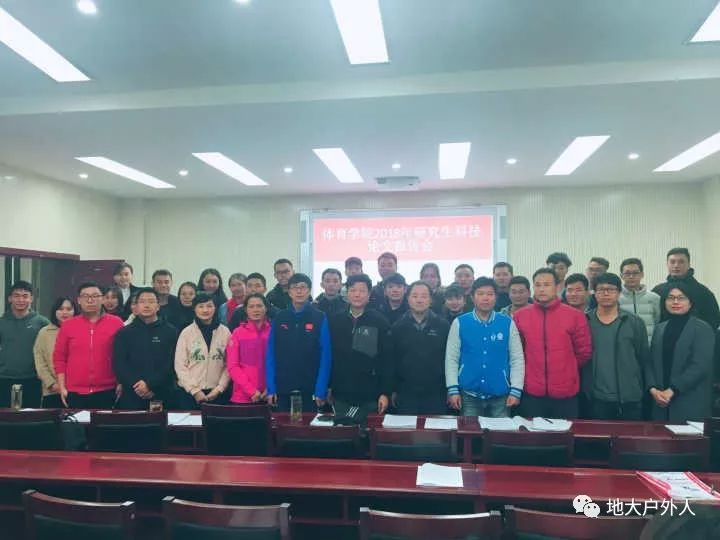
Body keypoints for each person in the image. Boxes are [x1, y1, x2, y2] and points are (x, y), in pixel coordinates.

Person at [514, 268, 592, 419]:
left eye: (547, 284)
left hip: (565, 392)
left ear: (557, 287)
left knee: (565, 432)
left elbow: (584, 353)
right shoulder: (520, 316)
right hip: (532, 391)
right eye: (538, 285)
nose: (542, 289)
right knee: (533, 432)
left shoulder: (575, 316)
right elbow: (518, 352)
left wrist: (567, 369)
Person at [446, 277, 524, 417]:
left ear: (496, 297)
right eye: (480, 294)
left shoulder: (507, 323)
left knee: (500, 431)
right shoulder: (460, 323)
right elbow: (451, 358)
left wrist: (516, 389)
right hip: (468, 395)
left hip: (501, 395)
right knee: (470, 430)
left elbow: (517, 358)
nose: (485, 298)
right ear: (472, 297)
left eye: (490, 294)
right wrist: (453, 389)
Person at [584, 273, 649, 421]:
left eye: (611, 289)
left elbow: (643, 358)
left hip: (629, 398)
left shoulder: (634, 322)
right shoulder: (584, 321)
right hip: (595, 398)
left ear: (619, 292)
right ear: (594, 293)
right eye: (601, 289)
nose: (606, 293)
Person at [646, 284, 715, 422]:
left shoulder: (702, 328)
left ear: (691, 302)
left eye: (681, 298)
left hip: (689, 400)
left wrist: (672, 390)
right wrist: (653, 389)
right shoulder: (660, 328)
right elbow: (650, 362)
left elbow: (700, 366)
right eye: (671, 298)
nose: (675, 302)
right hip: (660, 401)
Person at [329, 274, 391, 419]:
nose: (357, 294)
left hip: (371, 394)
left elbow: (387, 360)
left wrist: (385, 392)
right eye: (353, 290)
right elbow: (329, 357)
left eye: (362, 290)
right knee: (342, 430)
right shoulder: (335, 320)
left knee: (368, 430)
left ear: (369, 294)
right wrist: (328, 386)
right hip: (341, 392)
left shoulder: (380, 321)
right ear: (346, 293)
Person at [266, 273, 331, 412]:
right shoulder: (280, 317)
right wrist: (271, 387)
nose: (299, 291)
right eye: (295, 287)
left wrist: (321, 389)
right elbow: (271, 354)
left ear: (309, 291)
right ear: (289, 292)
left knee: (308, 425)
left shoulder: (319, 317)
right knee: (282, 424)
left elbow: (325, 356)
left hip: (310, 387)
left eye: (303, 287)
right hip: (283, 387)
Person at [54, 282, 124, 409]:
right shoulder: (68, 326)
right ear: (79, 300)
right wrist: (62, 387)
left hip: (107, 390)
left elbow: (123, 356)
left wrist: (121, 382)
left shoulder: (116, 323)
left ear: (102, 299)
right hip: (74, 392)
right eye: (85, 296)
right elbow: (59, 358)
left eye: (95, 296)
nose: (90, 300)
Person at [391, 281, 451, 415]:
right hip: (406, 392)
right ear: (408, 299)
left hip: (436, 392)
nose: (419, 300)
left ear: (431, 300)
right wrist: (393, 389)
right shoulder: (397, 327)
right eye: (415, 296)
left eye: (424, 296)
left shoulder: (443, 326)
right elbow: (392, 360)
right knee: (407, 427)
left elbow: (449, 359)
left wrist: (450, 389)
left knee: (434, 427)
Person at [112, 288, 178, 410]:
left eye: (151, 301)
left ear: (158, 306)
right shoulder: (124, 333)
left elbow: (172, 363)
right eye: (142, 301)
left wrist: (151, 385)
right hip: (132, 393)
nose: (147, 305)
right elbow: (119, 364)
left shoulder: (170, 331)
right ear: (136, 307)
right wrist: (138, 386)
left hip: (162, 392)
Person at [174, 292, 231, 409]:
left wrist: (219, 388)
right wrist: (194, 391)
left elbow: (229, 364)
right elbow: (180, 366)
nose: (205, 310)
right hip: (189, 393)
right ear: (194, 309)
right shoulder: (186, 333)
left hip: (218, 393)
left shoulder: (225, 332)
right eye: (201, 306)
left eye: (209, 306)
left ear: (215, 308)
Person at [0, 281, 49, 408]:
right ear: (10, 298)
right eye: (16, 296)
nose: (21, 300)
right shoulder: (2, 322)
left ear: (31, 299)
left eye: (25, 296)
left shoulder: (42, 322)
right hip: (4, 378)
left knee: (30, 415)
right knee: (5, 416)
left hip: (32, 379)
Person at [653, 247, 720, 329]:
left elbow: (714, 320)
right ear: (667, 264)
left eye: (681, 262)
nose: (676, 265)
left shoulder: (703, 292)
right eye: (672, 262)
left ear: (688, 264)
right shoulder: (658, 291)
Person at [226, 293, 271, 404]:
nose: (256, 310)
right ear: (246, 310)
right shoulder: (237, 333)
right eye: (251, 306)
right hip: (242, 397)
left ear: (266, 308)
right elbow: (232, 366)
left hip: (269, 396)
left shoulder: (273, 332)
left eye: (259, 306)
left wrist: (271, 387)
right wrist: (251, 391)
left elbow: (279, 364)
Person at [34, 297, 77, 408]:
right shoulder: (44, 332)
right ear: (54, 311)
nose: (64, 312)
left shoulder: (80, 330)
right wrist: (52, 384)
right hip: (51, 391)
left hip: (76, 391)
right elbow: (40, 362)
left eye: (69, 309)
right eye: (61, 309)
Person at [619, 258, 661, 343]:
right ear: (621, 275)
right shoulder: (616, 298)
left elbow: (658, 322)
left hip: (648, 345)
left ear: (642, 274)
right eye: (627, 273)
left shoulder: (654, 298)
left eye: (635, 273)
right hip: (625, 346)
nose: (631, 276)